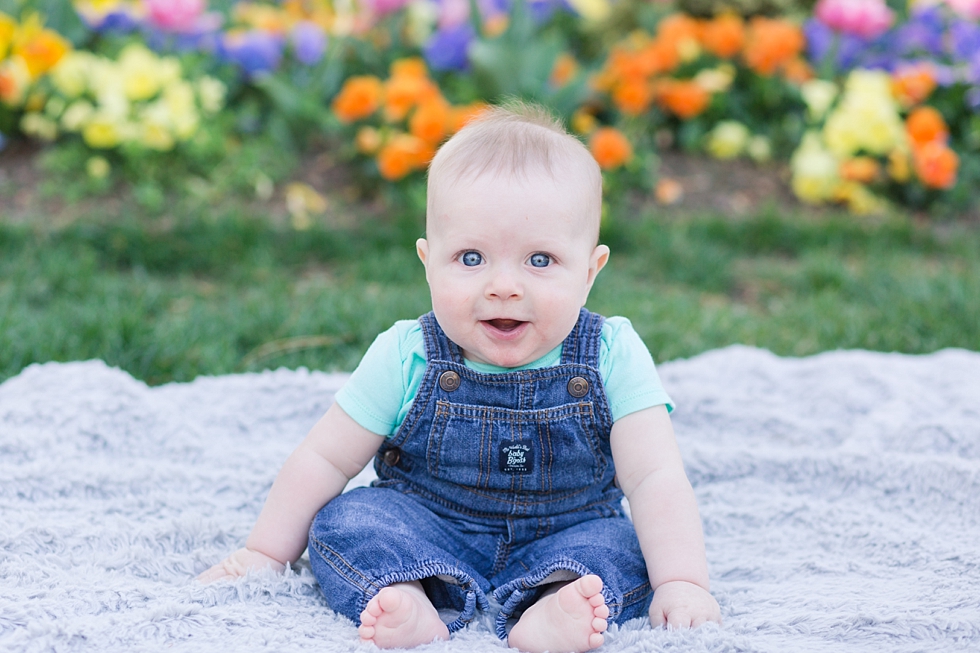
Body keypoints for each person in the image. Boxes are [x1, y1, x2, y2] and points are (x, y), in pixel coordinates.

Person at [198, 103, 721, 652]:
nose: (503, 286)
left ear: (590, 272)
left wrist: (682, 582)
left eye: (539, 261)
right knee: (345, 521)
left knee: (626, 547)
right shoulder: (409, 354)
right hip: (427, 522)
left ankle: (554, 608)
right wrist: (265, 552)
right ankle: (409, 595)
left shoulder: (612, 353)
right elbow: (325, 458)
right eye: (471, 258)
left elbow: (655, 477)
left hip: (569, 530)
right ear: (428, 262)